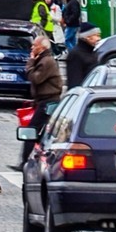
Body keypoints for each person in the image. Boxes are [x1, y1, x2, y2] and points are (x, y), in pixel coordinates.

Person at [15, 32, 63, 168]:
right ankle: (32, 159)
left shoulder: (46, 61)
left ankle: (24, 162)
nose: (31, 48)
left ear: (41, 48)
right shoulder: (43, 60)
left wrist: (30, 62)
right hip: (44, 100)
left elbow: (36, 78)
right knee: (41, 132)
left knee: (32, 131)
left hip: (48, 102)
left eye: (34, 46)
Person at [65, 24, 102, 89]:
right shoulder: (76, 54)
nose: (99, 39)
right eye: (97, 36)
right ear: (87, 37)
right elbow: (74, 81)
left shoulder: (91, 52)